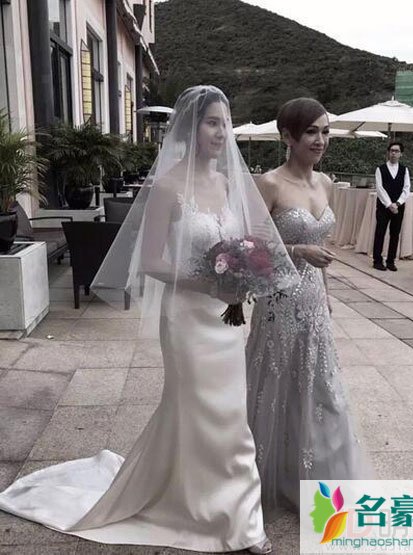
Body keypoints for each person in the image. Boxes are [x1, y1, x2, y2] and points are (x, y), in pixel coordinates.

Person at [0, 86, 299, 553]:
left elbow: (242, 245)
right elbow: (151, 261)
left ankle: (226, 508)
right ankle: (230, 518)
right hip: (187, 318)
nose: (221, 132)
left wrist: (243, 274)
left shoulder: (226, 184)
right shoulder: (168, 186)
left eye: (225, 123)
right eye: (212, 122)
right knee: (201, 408)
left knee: (228, 412)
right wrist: (209, 284)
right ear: (190, 127)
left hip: (225, 318)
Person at [245, 98, 368, 514]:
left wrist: (327, 295)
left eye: (325, 131)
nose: (320, 140)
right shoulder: (270, 184)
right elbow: (250, 249)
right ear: (288, 136)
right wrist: (297, 249)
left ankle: (320, 480)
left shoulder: (326, 183)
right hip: (279, 300)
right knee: (278, 385)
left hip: (314, 298)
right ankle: (270, 474)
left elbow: (323, 248)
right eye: (311, 132)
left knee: (323, 390)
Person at [372, 142, 411, 271]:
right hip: (383, 206)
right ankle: (377, 260)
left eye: (396, 151)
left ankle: (390, 261)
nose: (394, 153)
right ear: (388, 152)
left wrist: (398, 203)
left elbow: (406, 188)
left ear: (401, 154)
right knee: (380, 232)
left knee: (395, 233)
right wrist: (389, 204)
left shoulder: (404, 170)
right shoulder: (380, 169)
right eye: (392, 151)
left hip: (399, 206)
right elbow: (379, 188)